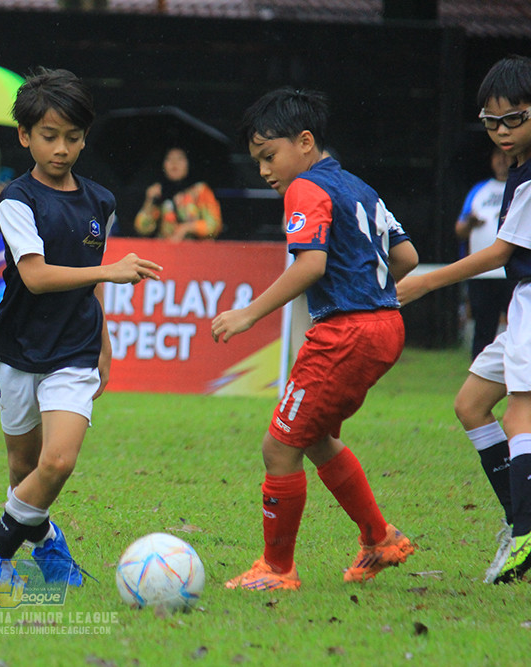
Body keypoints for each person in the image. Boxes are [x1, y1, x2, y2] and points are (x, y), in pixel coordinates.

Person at [211, 87, 419, 591]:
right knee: (316, 438)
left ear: (304, 142)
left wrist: (248, 314)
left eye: (269, 156)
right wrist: (369, 291)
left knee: (278, 448)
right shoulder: (359, 187)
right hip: (384, 326)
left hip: (346, 332)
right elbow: (408, 258)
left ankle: (277, 569)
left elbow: (311, 263)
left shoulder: (305, 189)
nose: (264, 170)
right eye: (257, 160)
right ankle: (380, 537)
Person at [0, 68, 162, 587]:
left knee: (57, 461)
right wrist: (110, 269)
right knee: (24, 468)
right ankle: (48, 540)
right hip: (17, 347)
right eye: (49, 137)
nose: (61, 148)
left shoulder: (101, 201)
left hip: (74, 349)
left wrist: (103, 342)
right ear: (24, 136)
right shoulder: (16, 200)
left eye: (72, 138)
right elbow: (33, 277)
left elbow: (89, 284)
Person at [397, 55, 531, 584]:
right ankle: (519, 520)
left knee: (521, 417)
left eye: (514, 118)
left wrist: (426, 281)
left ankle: (525, 532)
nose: (501, 131)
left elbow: (499, 253)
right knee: (472, 404)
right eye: (491, 121)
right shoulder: (516, 171)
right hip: (520, 302)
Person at [456, 146, 512, 359]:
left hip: (513, 273)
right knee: (483, 328)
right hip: (482, 273)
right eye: (498, 155)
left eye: (506, 156)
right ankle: (478, 372)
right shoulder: (480, 190)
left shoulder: (522, 187)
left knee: (519, 325)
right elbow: (459, 229)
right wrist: (470, 222)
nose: (502, 161)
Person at [133, 147, 223, 241]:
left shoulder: (200, 190)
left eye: (180, 158)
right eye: (169, 158)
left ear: (188, 163)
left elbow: (214, 226)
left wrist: (186, 228)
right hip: (166, 251)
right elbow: (142, 229)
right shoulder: (159, 191)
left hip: (195, 251)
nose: (174, 163)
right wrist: (149, 201)